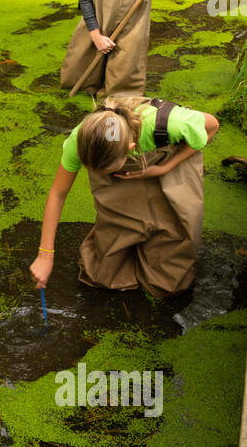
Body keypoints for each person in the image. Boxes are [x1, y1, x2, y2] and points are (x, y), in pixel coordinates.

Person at [30, 96, 218, 298]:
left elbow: (212, 126)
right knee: (103, 275)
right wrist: (45, 255)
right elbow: (58, 194)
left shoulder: (170, 122)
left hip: (171, 163)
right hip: (126, 177)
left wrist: (164, 168)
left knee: (167, 282)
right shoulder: (79, 140)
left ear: (130, 149)